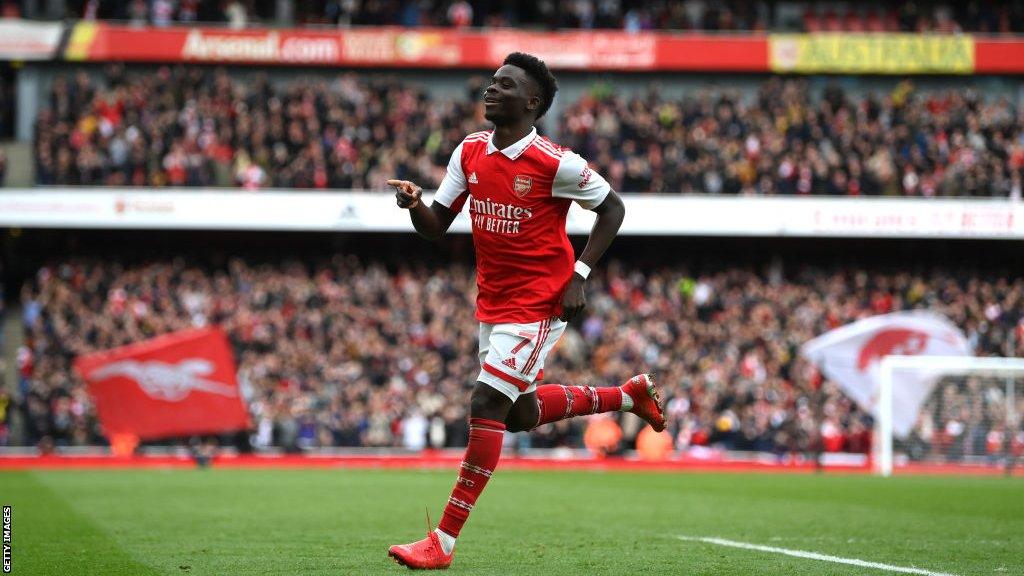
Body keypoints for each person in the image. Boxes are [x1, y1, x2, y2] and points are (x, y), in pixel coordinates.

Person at [386, 52, 666, 570]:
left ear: (532, 103)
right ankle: (627, 396)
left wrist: (579, 274)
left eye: (504, 85)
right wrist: (414, 205)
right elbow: (437, 225)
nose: (490, 90)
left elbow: (613, 208)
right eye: (492, 81)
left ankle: (442, 542)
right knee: (516, 414)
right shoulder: (469, 151)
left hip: (539, 302)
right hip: (492, 302)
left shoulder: (556, 162)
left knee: (486, 402)